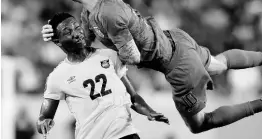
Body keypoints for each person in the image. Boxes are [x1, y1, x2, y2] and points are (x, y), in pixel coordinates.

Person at [42, 0, 262, 134]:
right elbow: (84, 47)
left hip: (177, 66)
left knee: (199, 125)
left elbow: (134, 57)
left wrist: (107, 64)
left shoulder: (108, 14)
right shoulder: (92, 10)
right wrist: (56, 36)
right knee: (218, 64)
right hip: (174, 40)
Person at [37, 12, 169, 139]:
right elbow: (44, 117)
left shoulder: (109, 56)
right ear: (57, 41)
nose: (76, 34)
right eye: (67, 32)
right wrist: (43, 123)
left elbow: (132, 96)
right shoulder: (57, 76)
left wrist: (149, 111)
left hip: (125, 134)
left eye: (77, 28)